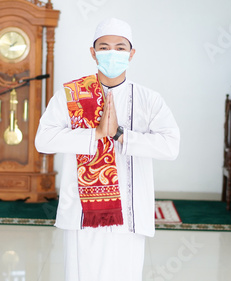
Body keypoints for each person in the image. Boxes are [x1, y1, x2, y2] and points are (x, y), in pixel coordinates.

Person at [35, 18, 180, 281]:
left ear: (131, 53)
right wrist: (95, 134)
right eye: (104, 47)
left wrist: (121, 135)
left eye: (120, 48)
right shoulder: (72, 95)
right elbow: (43, 140)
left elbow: (171, 146)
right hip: (83, 211)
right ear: (93, 52)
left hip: (129, 211)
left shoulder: (149, 99)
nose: (112, 53)